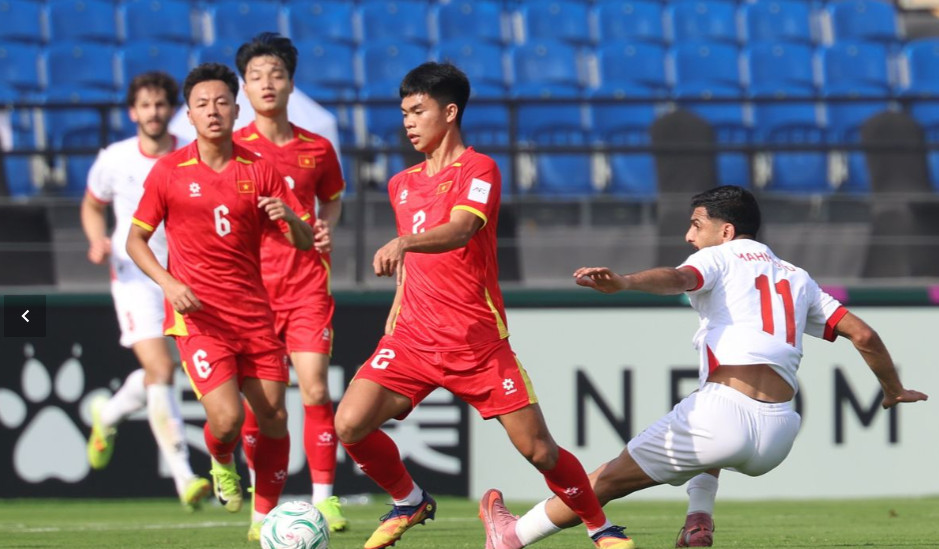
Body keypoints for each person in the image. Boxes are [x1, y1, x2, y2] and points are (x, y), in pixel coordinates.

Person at [479, 185, 929, 549]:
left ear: (726, 231)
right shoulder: (796, 275)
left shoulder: (716, 257)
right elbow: (864, 335)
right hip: (779, 434)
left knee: (609, 479)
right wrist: (893, 390)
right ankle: (699, 521)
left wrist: (625, 282)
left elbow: (678, 278)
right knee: (700, 414)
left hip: (723, 415)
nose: (689, 238)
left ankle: (513, 536)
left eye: (696, 226)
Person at [332, 62, 632, 549]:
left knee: (538, 450)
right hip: (412, 339)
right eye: (403, 113)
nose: (407, 122)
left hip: (476, 342)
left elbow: (460, 230)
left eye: (417, 111)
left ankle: (602, 528)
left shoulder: (480, 169)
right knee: (348, 421)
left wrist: (404, 242)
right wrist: (395, 311)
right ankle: (410, 500)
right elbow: (414, 265)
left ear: (449, 112)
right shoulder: (401, 184)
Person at [126, 63, 317, 541]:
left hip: (255, 314)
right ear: (187, 116)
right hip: (199, 318)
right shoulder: (169, 171)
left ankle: (263, 521)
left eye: (222, 103)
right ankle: (220, 458)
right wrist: (169, 284)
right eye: (202, 105)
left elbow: (304, 242)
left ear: (237, 109)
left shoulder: (259, 168)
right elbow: (135, 241)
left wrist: (288, 218)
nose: (213, 111)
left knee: (274, 416)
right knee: (228, 419)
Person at [233, 32, 348, 533]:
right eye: (256, 76)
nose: (267, 83)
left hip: (305, 285)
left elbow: (334, 198)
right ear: (244, 86)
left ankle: (324, 500)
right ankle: (264, 508)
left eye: (276, 74)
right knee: (264, 407)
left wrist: (328, 225)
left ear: (290, 82)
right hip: (252, 292)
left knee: (316, 389)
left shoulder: (317, 147)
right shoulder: (234, 151)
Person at [82, 71, 210, 510]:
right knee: (163, 370)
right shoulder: (114, 158)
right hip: (136, 278)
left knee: (162, 373)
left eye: (160, 105)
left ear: (171, 109)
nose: (153, 113)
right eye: (145, 105)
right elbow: (92, 204)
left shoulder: (193, 155)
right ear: (132, 111)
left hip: (187, 275)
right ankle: (184, 477)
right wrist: (97, 239)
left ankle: (109, 413)